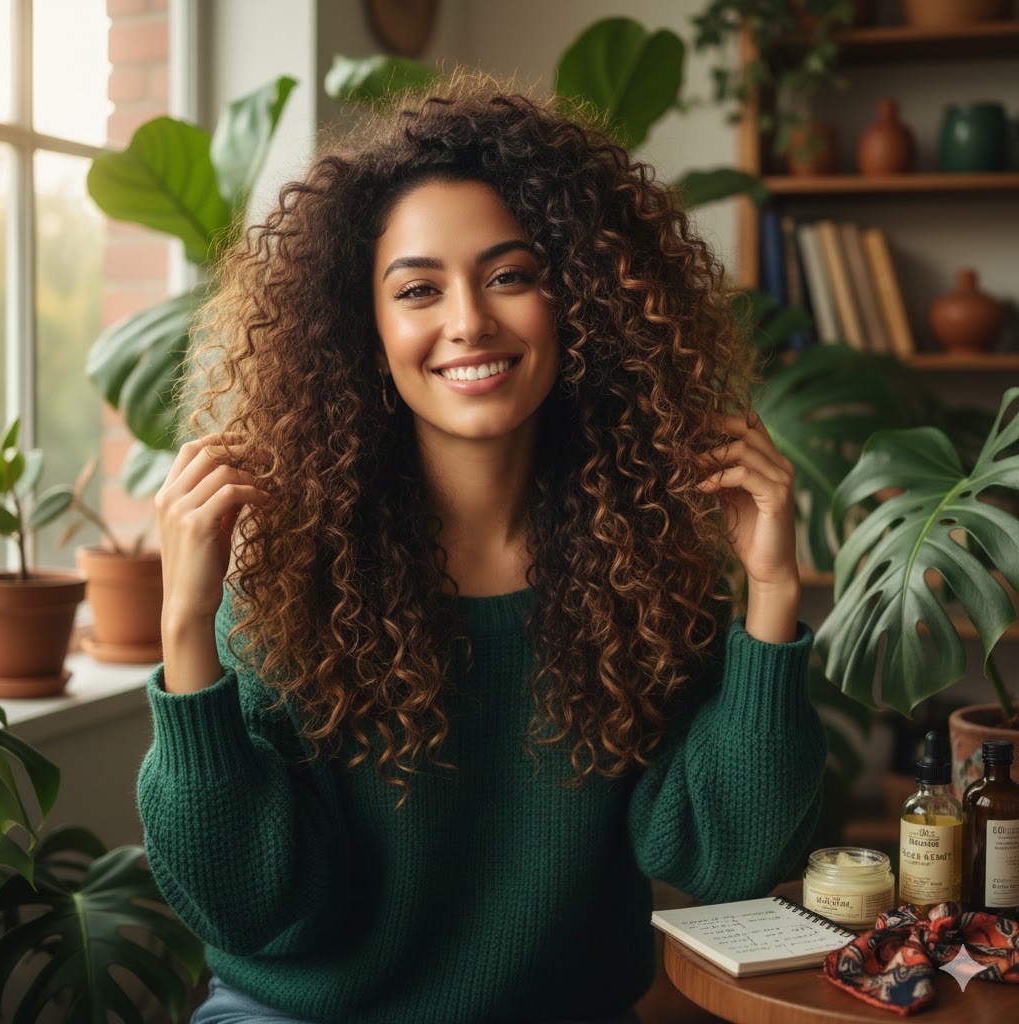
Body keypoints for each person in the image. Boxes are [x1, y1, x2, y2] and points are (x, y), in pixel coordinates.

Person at [139, 69, 826, 1024]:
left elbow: (722, 859)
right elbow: (244, 906)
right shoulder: (289, 565)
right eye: (418, 289)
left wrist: (770, 589)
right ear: (365, 328)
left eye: (510, 275)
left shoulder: (651, 559)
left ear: (577, 301)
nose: (469, 321)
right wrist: (186, 623)